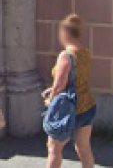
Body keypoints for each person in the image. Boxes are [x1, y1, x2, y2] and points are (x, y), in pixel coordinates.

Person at [43, 14, 95, 168]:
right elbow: (77, 78)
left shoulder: (65, 56)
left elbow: (59, 85)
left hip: (68, 108)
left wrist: (50, 99)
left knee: (53, 148)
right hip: (86, 105)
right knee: (83, 147)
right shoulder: (84, 52)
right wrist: (54, 88)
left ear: (66, 33)